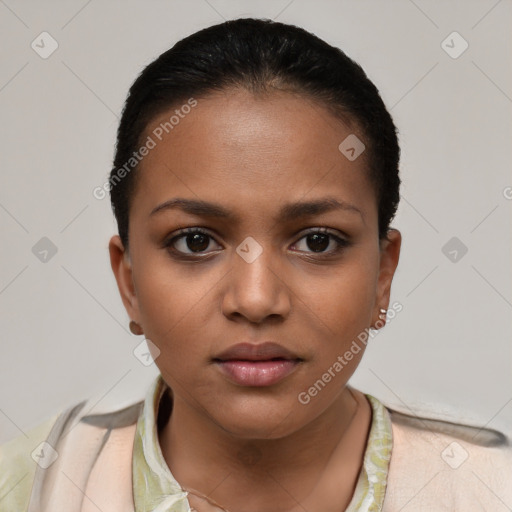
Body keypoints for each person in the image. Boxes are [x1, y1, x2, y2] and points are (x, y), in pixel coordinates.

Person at [1, 17, 510, 512]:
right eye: (196, 241)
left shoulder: (488, 490)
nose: (256, 299)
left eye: (317, 242)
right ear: (129, 281)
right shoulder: (32, 487)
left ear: (382, 276)